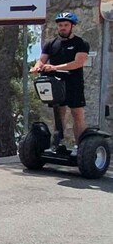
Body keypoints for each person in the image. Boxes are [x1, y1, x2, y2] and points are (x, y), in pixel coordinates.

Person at [31, 12, 89, 152]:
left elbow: (78, 63)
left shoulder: (81, 43)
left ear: (72, 26)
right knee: (59, 113)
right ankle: (56, 144)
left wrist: (54, 67)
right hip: (56, 84)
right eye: (60, 25)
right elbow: (42, 59)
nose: (62, 28)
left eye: (66, 25)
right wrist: (37, 66)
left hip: (73, 83)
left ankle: (80, 146)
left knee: (77, 114)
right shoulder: (51, 44)